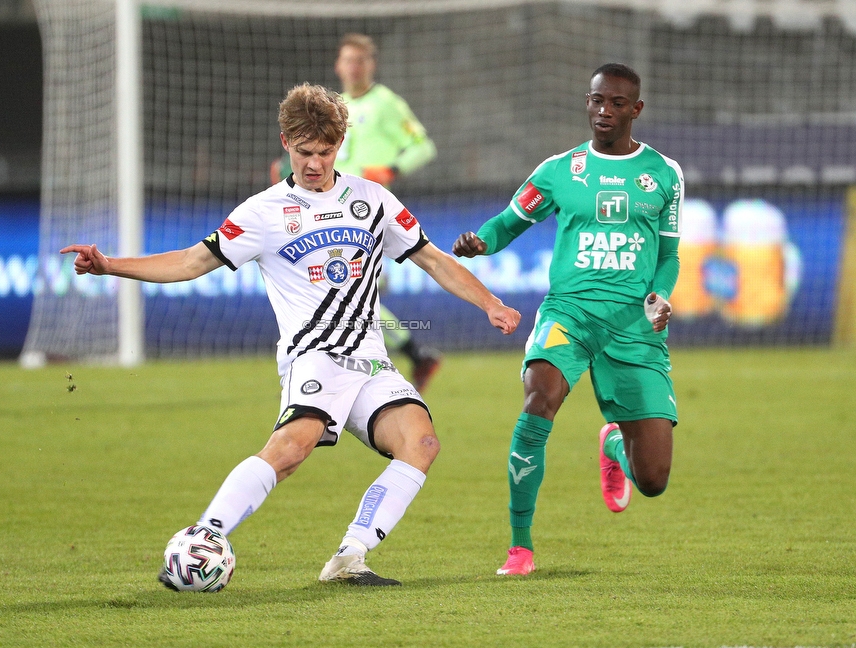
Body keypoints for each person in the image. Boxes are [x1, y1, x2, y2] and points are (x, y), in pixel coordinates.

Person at [63, 83, 521, 586]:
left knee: (422, 443)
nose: (314, 163)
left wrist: (490, 303)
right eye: (304, 152)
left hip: (369, 362)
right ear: (286, 143)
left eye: (325, 152)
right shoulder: (262, 212)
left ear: (339, 146)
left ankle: (350, 559)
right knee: (291, 450)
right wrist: (111, 266)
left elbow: (433, 259)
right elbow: (192, 262)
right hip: (315, 359)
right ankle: (206, 535)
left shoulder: (373, 199)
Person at [453, 63, 683, 576]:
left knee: (654, 480)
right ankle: (520, 546)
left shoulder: (664, 175)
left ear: (636, 109)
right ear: (587, 101)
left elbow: (668, 255)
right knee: (540, 398)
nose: (605, 111)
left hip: (632, 326)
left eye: (617, 103)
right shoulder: (560, 170)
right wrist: (481, 242)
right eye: (597, 100)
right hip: (568, 313)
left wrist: (659, 297)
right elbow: (510, 221)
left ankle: (617, 443)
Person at [271, 33, 442, 392]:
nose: (353, 67)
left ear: (370, 65)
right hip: (331, 210)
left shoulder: (386, 103)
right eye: (348, 60)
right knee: (351, 294)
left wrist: (393, 169)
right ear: (338, 66)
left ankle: (386, 363)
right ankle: (411, 354)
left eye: (360, 61)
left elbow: (423, 145)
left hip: (369, 212)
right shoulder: (335, 108)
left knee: (347, 292)